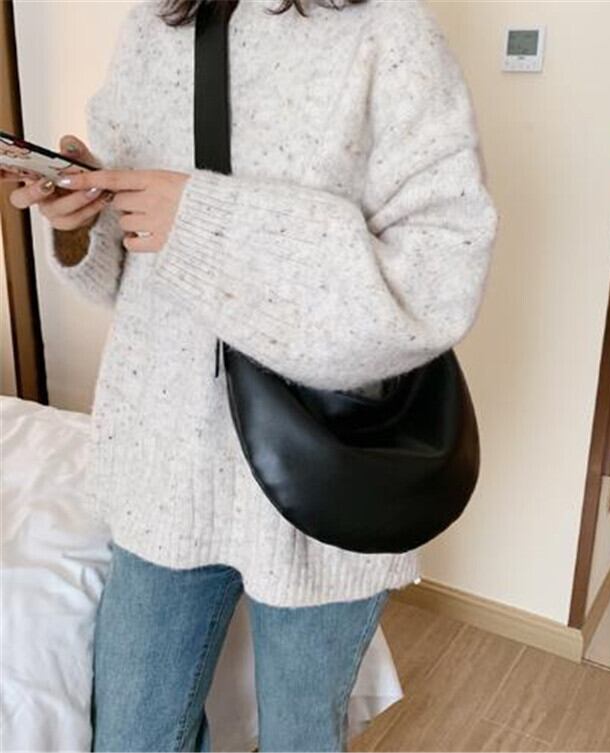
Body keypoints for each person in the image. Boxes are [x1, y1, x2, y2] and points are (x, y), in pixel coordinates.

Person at [5, 0, 499, 750]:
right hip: (162, 464)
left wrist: (201, 219)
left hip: (325, 473)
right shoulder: (152, 28)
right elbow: (132, 268)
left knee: (301, 737)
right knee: (131, 736)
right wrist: (82, 220)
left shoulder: (388, 31)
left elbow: (437, 282)